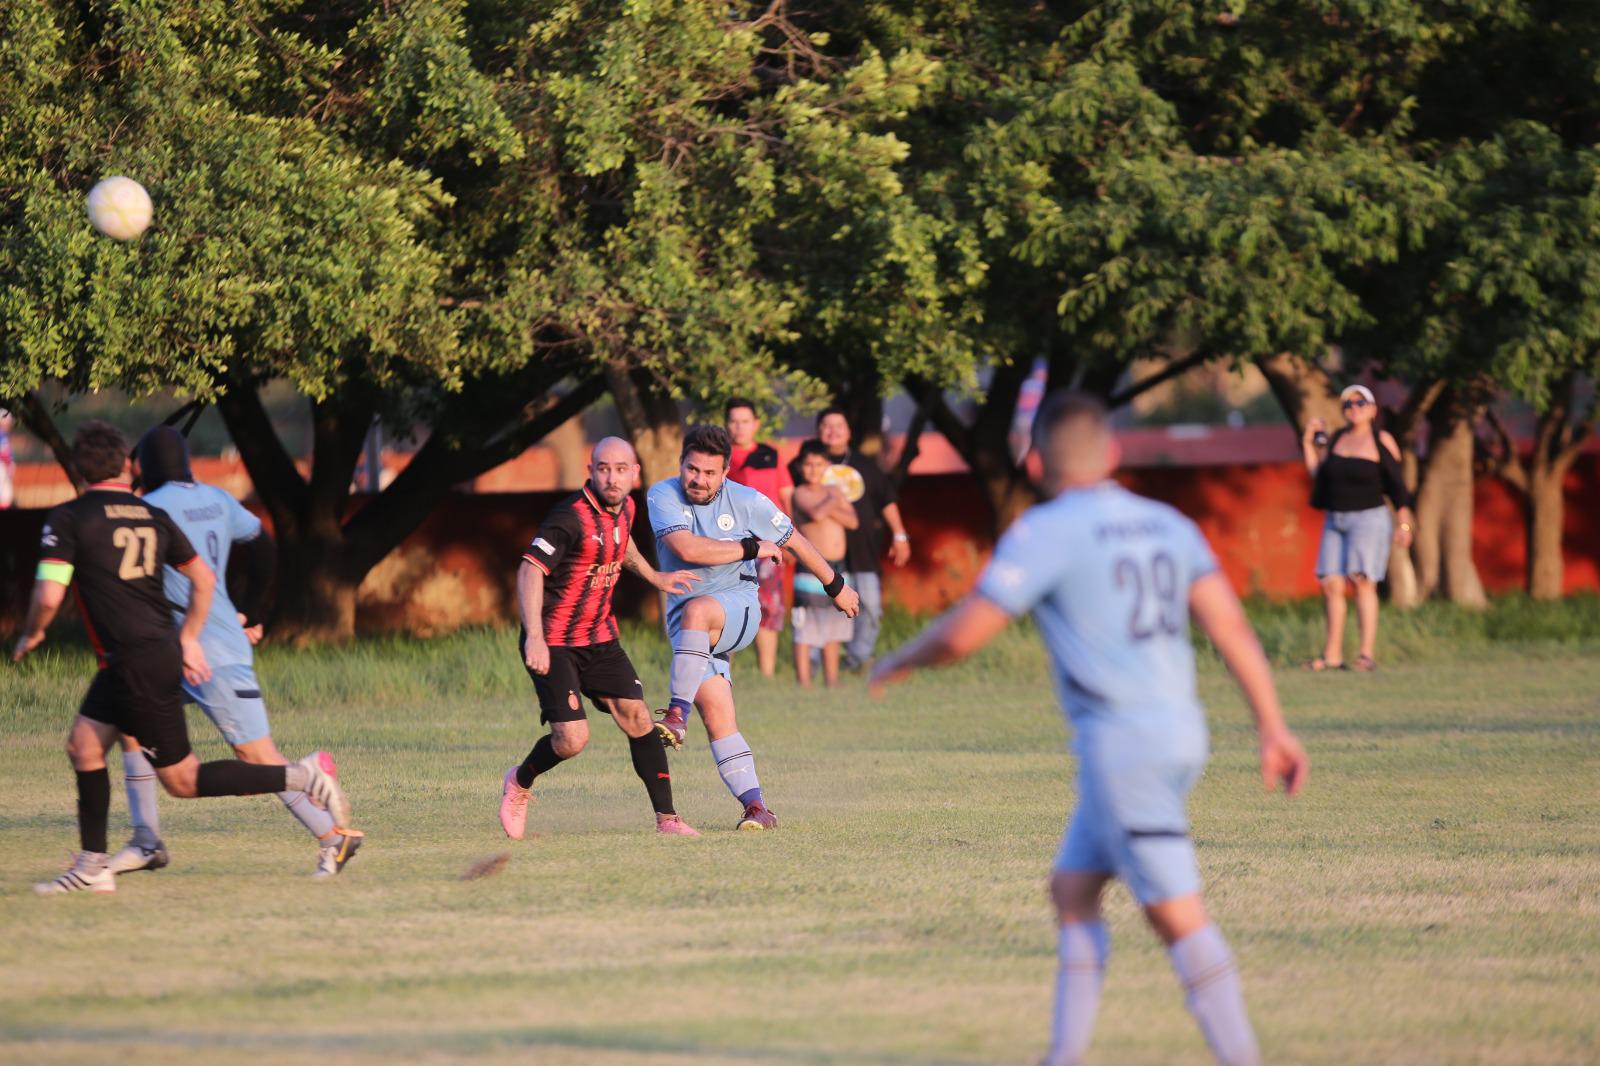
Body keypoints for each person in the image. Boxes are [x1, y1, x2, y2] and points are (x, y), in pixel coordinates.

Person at [869, 392, 1308, 1066]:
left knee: (1176, 915)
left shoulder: (1046, 529)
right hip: (1179, 729)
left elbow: (968, 631)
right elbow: (1230, 627)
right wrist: (1273, 726)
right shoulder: (1167, 523)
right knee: (1073, 890)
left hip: (1123, 746)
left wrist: (901, 656)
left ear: (1036, 460)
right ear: (1113, 453)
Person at [13, 421, 351, 895]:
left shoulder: (82, 515)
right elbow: (234, 564)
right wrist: (236, 620)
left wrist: (33, 633)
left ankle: (308, 785)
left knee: (191, 776)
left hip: (160, 656)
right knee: (87, 745)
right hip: (151, 654)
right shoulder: (170, 509)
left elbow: (49, 594)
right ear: (125, 466)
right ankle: (113, 855)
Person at [102, 426, 365, 879]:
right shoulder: (217, 498)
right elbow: (263, 545)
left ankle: (333, 836)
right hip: (190, 647)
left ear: (141, 465)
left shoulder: (149, 508)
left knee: (259, 757)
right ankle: (146, 840)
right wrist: (251, 611)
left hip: (208, 652)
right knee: (130, 726)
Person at [648, 425, 860, 830]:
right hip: (689, 629)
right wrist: (750, 546)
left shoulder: (747, 501)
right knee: (719, 719)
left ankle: (676, 714)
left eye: (710, 473)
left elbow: (795, 540)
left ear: (726, 471)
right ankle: (758, 807)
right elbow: (686, 549)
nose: (699, 479)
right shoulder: (662, 494)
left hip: (740, 606)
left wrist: (836, 586)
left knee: (698, 612)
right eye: (692, 469)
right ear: (681, 464)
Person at [500, 437, 704, 838]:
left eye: (621, 469)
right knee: (572, 740)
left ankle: (668, 820)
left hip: (600, 636)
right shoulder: (569, 518)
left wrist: (656, 577)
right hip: (555, 640)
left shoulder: (626, 507)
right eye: (604, 468)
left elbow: (620, 543)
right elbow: (529, 570)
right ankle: (519, 782)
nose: (612, 477)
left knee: (639, 716)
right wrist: (535, 638)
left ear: (634, 473)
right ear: (590, 471)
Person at [1301, 384, 1415, 672]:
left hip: (1369, 518)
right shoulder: (1338, 438)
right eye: (1348, 404)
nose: (1354, 408)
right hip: (1335, 518)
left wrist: (1403, 522)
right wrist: (1307, 445)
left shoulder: (1381, 440)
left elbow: (1398, 484)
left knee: (1362, 580)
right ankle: (1332, 655)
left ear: (1373, 409)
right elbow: (1320, 474)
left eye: (1360, 403)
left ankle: (1365, 655)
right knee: (1331, 583)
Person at [788, 408, 909, 670]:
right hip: (819, 555)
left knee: (870, 608)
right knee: (815, 613)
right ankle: (814, 667)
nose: (832, 431)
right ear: (818, 431)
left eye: (838, 426)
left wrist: (899, 534)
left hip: (861, 551)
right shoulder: (804, 464)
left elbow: (886, 500)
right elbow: (795, 503)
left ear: (849, 431)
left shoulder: (864, 464)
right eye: (826, 426)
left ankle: (855, 661)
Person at [724, 398, 793, 678]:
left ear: (756, 424)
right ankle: (722, 674)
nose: (739, 427)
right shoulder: (719, 457)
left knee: (768, 606)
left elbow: (786, 497)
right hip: (729, 546)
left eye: (744, 421)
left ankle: (767, 674)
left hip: (769, 545)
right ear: (726, 424)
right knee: (727, 608)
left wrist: (789, 540)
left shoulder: (771, 455)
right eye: (733, 421)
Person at [789, 440, 858, 687]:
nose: (813, 469)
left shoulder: (831, 494)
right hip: (810, 571)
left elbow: (853, 521)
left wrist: (832, 499)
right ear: (800, 466)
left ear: (827, 466)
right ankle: (804, 683)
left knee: (833, 628)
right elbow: (816, 514)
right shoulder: (800, 493)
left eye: (819, 464)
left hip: (839, 569)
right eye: (808, 464)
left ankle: (832, 680)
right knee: (805, 630)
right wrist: (835, 495)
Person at [0, 406, 15, 509]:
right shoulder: (2, 435)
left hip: (5, 466)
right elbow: (4, 453)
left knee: (6, 495)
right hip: (2, 466)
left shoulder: (4, 435)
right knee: (4, 494)